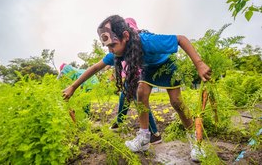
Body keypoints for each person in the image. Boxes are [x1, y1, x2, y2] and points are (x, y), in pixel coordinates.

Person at [62, 15, 211, 162]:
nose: (110, 50)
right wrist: (73, 86)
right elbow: (95, 67)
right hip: (148, 69)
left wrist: (199, 64)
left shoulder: (146, 41)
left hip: (167, 65)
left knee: (177, 103)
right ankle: (144, 137)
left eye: (112, 45)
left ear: (125, 36)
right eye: (108, 47)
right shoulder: (119, 52)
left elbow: (181, 39)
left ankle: (196, 142)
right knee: (141, 92)